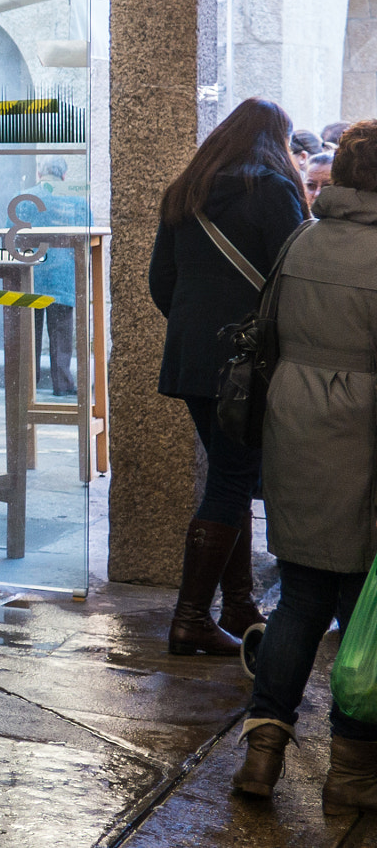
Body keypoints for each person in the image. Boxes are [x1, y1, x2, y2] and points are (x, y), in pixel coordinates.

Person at [232, 121, 377, 806]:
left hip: (294, 431)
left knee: (298, 601)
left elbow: (270, 332)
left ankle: (262, 757)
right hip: (364, 441)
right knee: (360, 614)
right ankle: (348, 774)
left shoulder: (302, 238)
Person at [149, 96, 307, 657]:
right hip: (249, 363)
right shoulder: (271, 188)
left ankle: (238, 605)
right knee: (233, 477)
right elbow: (295, 274)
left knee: (229, 472)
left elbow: (160, 282)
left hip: (192, 358)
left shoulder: (185, 190)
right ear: (275, 140)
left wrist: (202, 330)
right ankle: (191, 617)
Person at [28, 157, 92, 400]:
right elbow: (90, 237)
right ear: (64, 176)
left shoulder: (24, 198)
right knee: (62, 334)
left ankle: (27, 381)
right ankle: (63, 383)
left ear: (39, 173)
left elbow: (9, 236)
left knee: (30, 332)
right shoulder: (77, 200)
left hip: (31, 275)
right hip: (63, 277)